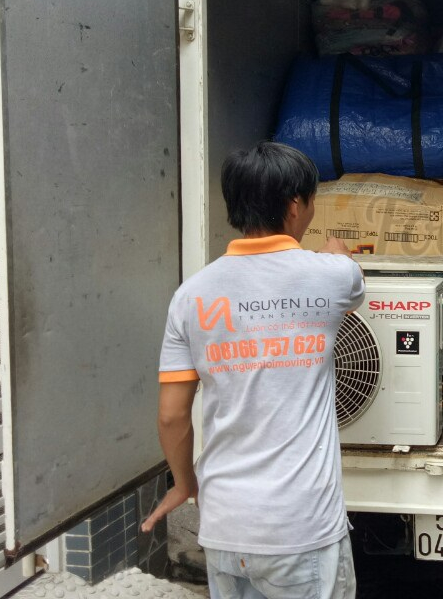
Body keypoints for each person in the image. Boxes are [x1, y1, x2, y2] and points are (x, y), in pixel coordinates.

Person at [140, 142, 363, 599]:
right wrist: (338, 254)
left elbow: (172, 415)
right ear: (296, 205)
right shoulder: (333, 276)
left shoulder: (191, 296)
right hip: (302, 529)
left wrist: (184, 483)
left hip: (225, 529)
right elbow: (352, 284)